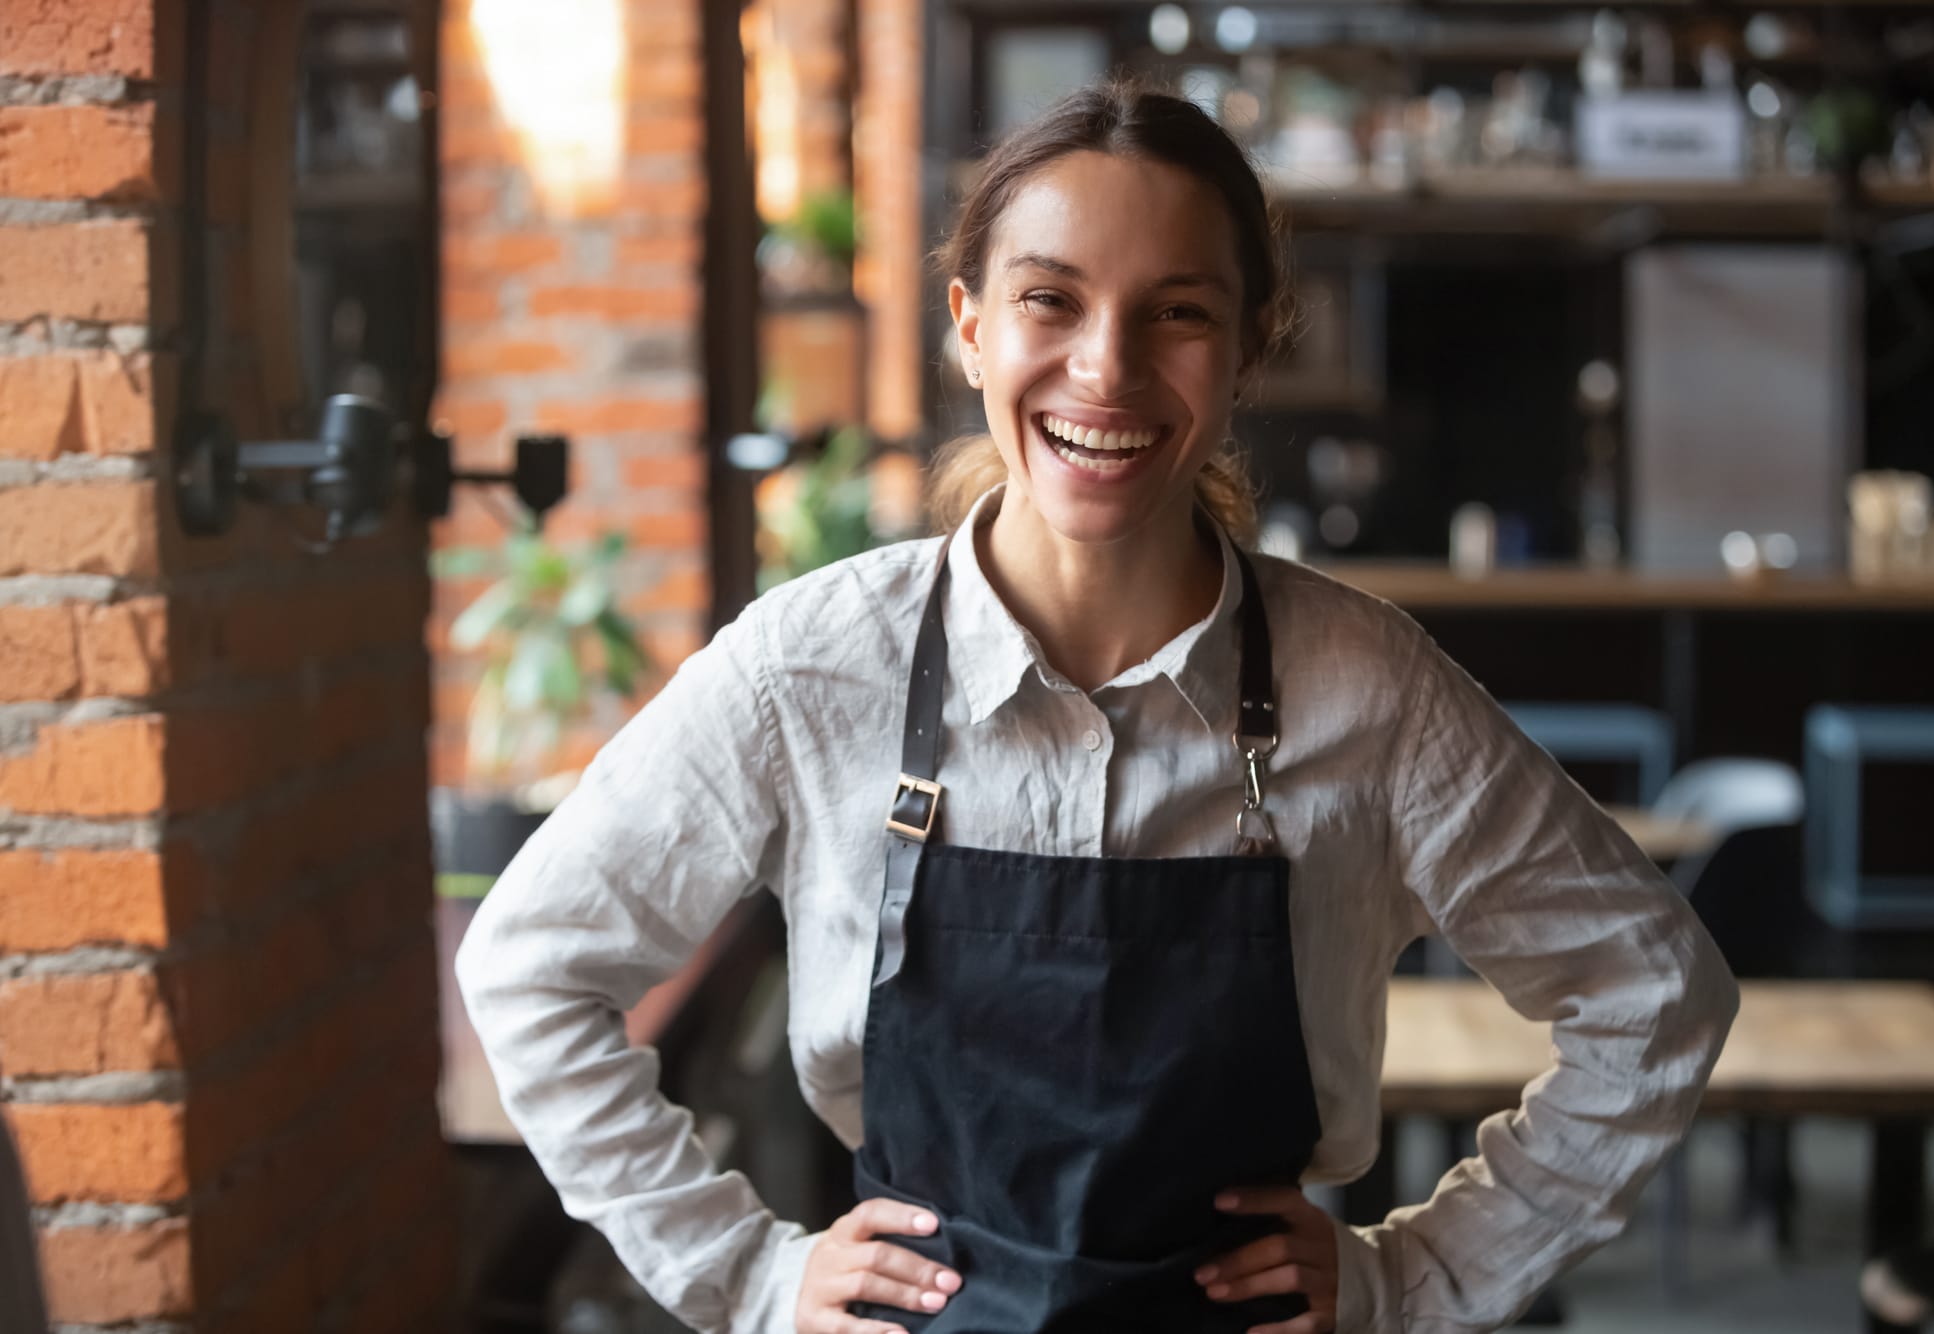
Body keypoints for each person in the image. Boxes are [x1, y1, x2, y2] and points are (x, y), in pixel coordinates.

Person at [456, 80, 1739, 1334]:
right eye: (1048, 301)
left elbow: (1652, 992)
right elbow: (531, 966)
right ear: (969, 328)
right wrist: (744, 1275)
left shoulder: (1370, 689)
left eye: (1175, 312)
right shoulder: (812, 666)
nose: (1106, 367)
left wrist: (1419, 1274)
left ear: (1247, 349)